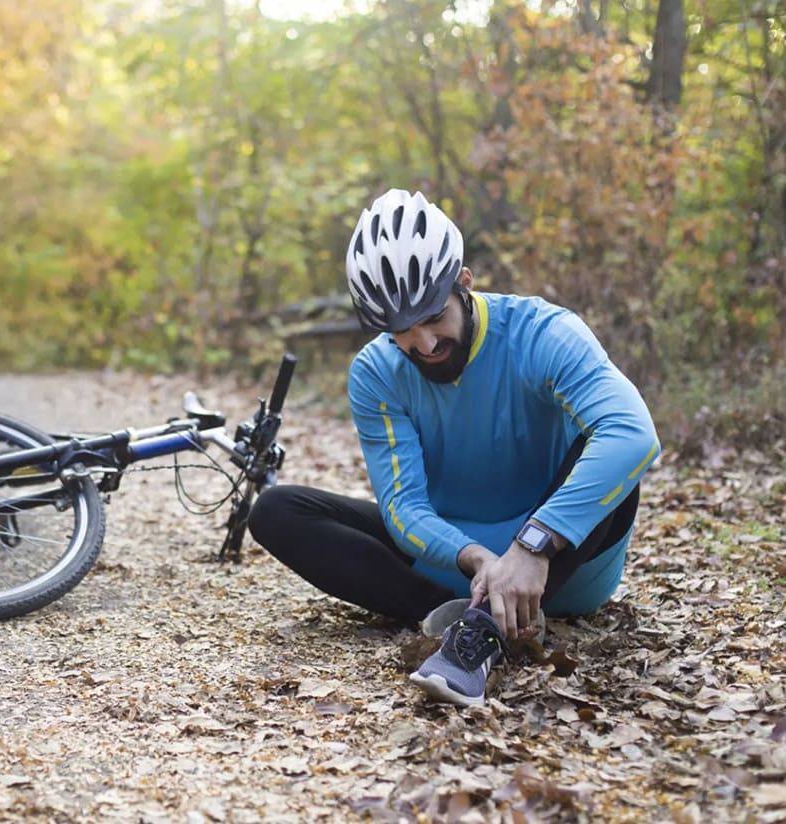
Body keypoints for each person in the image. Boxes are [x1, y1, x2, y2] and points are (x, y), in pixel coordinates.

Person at [248, 188, 659, 707]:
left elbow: (634, 432)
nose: (423, 344)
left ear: (464, 283)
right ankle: (464, 615)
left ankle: (482, 629)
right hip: (458, 565)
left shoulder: (545, 332)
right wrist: (477, 559)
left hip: (559, 560)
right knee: (278, 510)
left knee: (610, 458)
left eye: (433, 317)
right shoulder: (376, 373)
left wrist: (531, 547)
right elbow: (404, 509)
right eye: (400, 330)